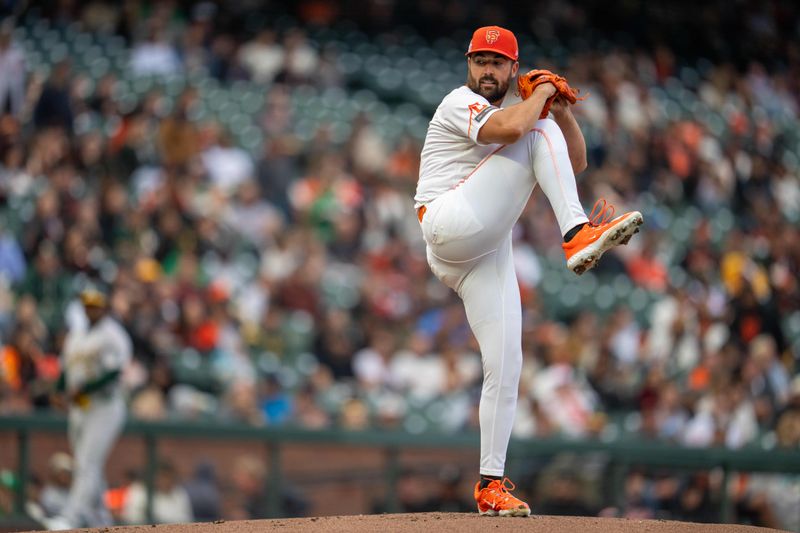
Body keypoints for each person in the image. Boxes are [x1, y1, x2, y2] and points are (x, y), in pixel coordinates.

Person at [414, 26, 642, 516]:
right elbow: (516, 131)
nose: (487, 70)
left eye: (497, 62)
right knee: (535, 128)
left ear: (513, 69)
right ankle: (576, 232)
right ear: (468, 65)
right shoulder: (458, 101)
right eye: (480, 61)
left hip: (483, 246)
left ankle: (490, 486)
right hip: (447, 220)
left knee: (507, 364)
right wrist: (542, 95)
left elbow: (573, 162)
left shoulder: (525, 108)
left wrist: (559, 108)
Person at [45, 285, 132, 530]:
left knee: (87, 463)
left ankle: (71, 519)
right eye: (87, 304)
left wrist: (82, 390)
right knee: (88, 464)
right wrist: (59, 390)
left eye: (95, 304)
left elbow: (115, 373)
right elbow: (67, 366)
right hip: (80, 408)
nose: (90, 309)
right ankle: (101, 519)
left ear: (105, 306)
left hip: (105, 406)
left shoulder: (114, 335)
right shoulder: (77, 333)